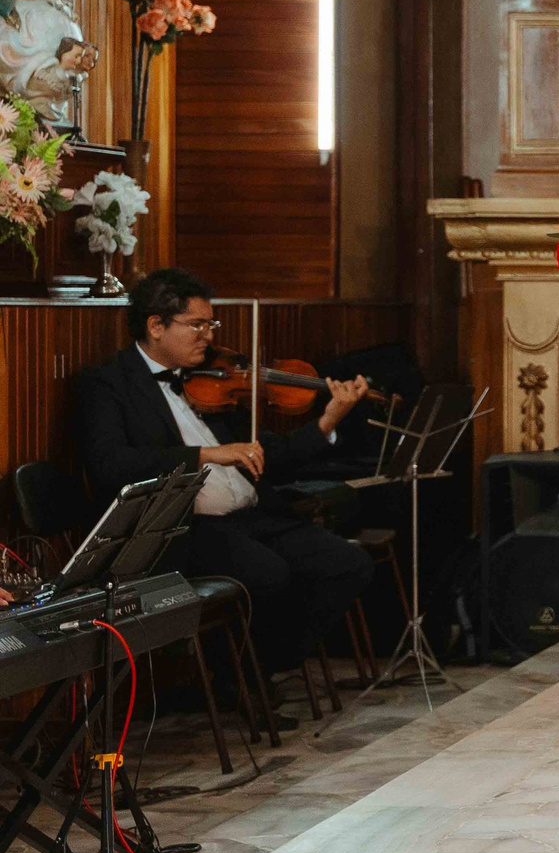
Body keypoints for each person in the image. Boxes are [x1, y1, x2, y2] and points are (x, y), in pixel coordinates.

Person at [70, 267, 375, 688]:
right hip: (186, 529)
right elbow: (111, 464)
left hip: (253, 516)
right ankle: (239, 681)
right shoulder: (107, 384)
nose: (208, 337)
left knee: (346, 564)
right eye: (196, 325)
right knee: (268, 575)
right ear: (155, 326)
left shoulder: (212, 377)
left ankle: (262, 667)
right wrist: (205, 455)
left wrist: (328, 421)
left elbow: (269, 453)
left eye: (210, 325)